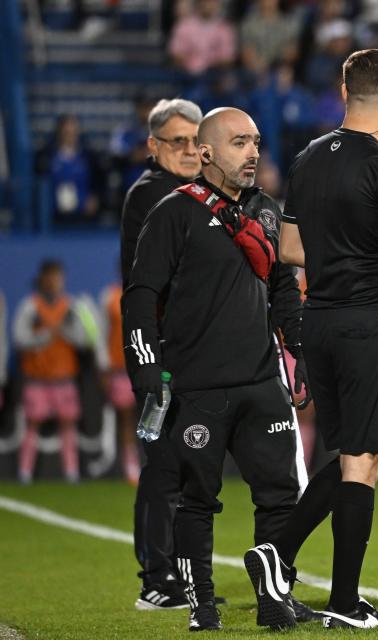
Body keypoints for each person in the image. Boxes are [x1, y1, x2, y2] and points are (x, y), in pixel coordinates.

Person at [244, 48, 378, 631]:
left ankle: (307, 574)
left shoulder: (307, 159)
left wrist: (343, 255)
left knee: (350, 455)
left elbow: (288, 251)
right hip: (369, 324)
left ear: (343, 88)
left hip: (320, 324)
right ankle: (321, 584)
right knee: (363, 460)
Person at [123, 107, 310, 632]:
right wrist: (147, 370)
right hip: (198, 388)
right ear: (205, 153)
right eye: (238, 143)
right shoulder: (171, 213)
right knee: (197, 501)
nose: (252, 153)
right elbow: (140, 298)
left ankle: (275, 596)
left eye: (255, 141)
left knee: (280, 496)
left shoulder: (267, 210)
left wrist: (298, 351)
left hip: (260, 382)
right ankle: (201, 605)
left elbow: (280, 289)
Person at [120, 98, 201, 612]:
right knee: (165, 466)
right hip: (163, 351)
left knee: (186, 467)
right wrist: (147, 359)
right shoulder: (152, 195)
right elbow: (145, 287)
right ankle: (156, 577)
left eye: (197, 141)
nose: (191, 150)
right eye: (179, 142)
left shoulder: (188, 191)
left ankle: (179, 570)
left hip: (194, 350)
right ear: (154, 147)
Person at [13, 260, 86, 484]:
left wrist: (63, 329)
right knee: (32, 426)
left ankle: (71, 473)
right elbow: (19, 339)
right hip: (37, 378)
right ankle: (24, 473)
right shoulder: (30, 306)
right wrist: (45, 334)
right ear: (43, 279)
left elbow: (85, 340)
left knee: (68, 426)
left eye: (58, 277)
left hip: (64, 378)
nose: (55, 282)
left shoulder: (71, 306)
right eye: (51, 277)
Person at [100, 273, 140, 485]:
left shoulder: (152, 291)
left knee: (155, 419)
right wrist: (104, 366)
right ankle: (131, 466)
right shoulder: (110, 296)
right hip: (121, 368)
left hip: (148, 366)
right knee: (126, 419)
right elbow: (103, 333)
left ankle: (160, 465)